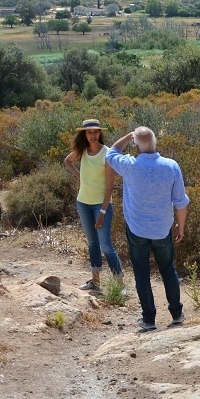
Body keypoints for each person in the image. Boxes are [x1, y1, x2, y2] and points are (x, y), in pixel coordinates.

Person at [106, 126, 189, 331]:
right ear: (155, 143)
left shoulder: (129, 165)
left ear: (136, 145)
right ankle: (176, 314)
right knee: (168, 269)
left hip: (136, 229)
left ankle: (149, 320)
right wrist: (181, 226)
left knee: (141, 273)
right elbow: (181, 201)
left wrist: (128, 136)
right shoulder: (171, 166)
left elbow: (111, 153)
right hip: (162, 229)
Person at [63, 119, 123, 291]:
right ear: (84, 134)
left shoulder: (107, 153)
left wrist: (103, 211)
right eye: (89, 132)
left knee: (106, 245)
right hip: (83, 202)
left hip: (101, 205)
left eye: (96, 132)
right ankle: (95, 281)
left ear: (100, 133)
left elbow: (110, 186)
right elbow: (67, 161)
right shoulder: (82, 151)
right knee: (92, 243)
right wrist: (79, 176)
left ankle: (119, 283)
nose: (93, 135)